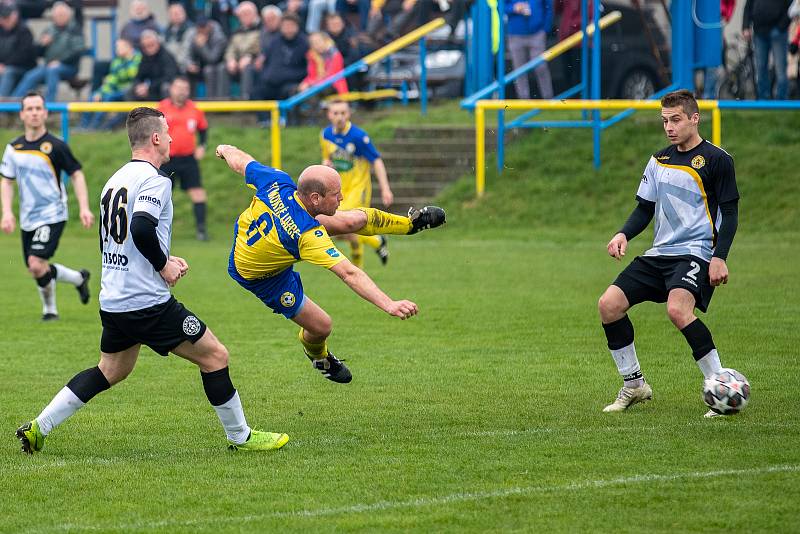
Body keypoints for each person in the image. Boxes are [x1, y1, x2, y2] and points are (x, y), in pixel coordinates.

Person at [15, 107, 289, 455]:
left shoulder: (115, 180)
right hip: (145, 302)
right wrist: (163, 265)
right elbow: (141, 226)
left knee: (110, 370)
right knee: (216, 356)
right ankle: (241, 437)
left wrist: (162, 258)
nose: (173, 138)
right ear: (156, 138)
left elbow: (119, 238)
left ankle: (40, 426)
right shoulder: (155, 180)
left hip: (114, 298)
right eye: (168, 132)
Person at [216, 143, 445, 383]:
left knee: (350, 221)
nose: (342, 197)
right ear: (315, 198)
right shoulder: (309, 236)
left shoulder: (277, 182)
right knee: (322, 327)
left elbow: (243, 162)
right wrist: (389, 304)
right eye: (336, 194)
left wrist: (225, 149)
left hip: (265, 237)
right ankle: (319, 358)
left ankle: (410, 224)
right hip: (259, 276)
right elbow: (349, 273)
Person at [597, 90, 740, 418]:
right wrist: (623, 233)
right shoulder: (659, 160)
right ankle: (634, 385)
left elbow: (730, 215)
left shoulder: (718, 160)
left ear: (694, 118)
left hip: (697, 252)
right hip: (660, 253)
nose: (669, 127)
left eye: (676, 119)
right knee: (609, 305)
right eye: (665, 121)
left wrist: (720, 256)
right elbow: (644, 209)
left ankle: (721, 386)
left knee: (678, 311)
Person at [0, 92, 94, 321]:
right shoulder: (14, 148)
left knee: (35, 263)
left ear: (45, 113)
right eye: (29, 109)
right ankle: (78, 279)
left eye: (38, 108)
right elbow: (7, 181)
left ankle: (49, 310)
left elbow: (77, 174)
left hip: (53, 213)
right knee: (37, 268)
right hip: (28, 217)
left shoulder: (56, 146)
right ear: (22, 114)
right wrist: (7, 212)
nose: (34, 113)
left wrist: (84, 207)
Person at [321, 100, 392, 268]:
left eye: (343, 113)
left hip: (357, 189)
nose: (339, 117)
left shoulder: (359, 137)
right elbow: (327, 158)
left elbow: (377, 161)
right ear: (329, 115)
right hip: (338, 190)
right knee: (338, 232)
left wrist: (385, 189)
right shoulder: (325, 135)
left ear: (349, 114)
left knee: (346, 227)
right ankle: (377, 242)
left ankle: (357, 271)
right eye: (335, 113)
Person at [158, 77, 210, 241]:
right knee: (160, 195)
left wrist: (202, 146)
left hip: (188, 159)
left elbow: (203, 130)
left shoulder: (195, 109)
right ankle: (155, 229)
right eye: (178, 87)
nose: (181, 91)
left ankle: (201, 230)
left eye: (185, 88)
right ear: (171, 89)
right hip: (167, 160)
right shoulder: (161, 108)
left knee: (198, 193)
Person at [11, 2, 85, 102]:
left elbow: (78, 51)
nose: (59, 18)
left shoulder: (75, 29)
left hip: (69, 67)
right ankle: (14, 103)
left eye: (62, 15)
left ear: (69, 15)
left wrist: (61, 62)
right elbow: (37, 53)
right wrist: (42, 45)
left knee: (52, 71)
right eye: (57, 15)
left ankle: (49, 105)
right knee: (31, 75)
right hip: (48, 65)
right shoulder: (49, 29)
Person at [79, 38, 141, 131]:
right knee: (93, 96)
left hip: (128, 91)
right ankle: (83, 126)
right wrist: (100, 92)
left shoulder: (138, 58)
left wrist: (124, 66)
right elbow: (112, 79)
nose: (116, 50)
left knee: (108, 97)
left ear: (128, 47)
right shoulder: (117, 60)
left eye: (119, 47)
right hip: (116, 89)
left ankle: (95, 126)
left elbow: (131, 74)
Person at [742, 0, 793, 100]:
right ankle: (763, 101)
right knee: (760, 69)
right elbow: (748, 7)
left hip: (779, 34)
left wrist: (780, 27)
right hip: (759, 33)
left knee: (781, 69)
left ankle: (781, 101)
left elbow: (791, 9)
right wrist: (745, 26)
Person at [506, 0, 554, 99]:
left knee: (540, 67)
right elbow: (501, 7)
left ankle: (548, 98)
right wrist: (513, 8)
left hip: (537, 32)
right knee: (519, 69)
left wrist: (545, 29)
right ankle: (524, 99)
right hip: (515, 34)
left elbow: (548, 7)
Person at [220, 1, 261, 99]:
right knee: (222, 68)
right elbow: (231, 48)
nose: (244, 17)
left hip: (255, 63)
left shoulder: (262, 28)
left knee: (247, 69)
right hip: (238, 63)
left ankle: (245, 100)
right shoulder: (237, 31)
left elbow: (261, 46)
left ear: (255, 14)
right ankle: (223, 101)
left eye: (247, 14)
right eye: (242, 15)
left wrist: (250, 57)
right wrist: (231, 59)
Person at [130, 30, 179, 101]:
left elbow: (169, 77)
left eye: (151, 44)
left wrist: (149, 87)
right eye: (145, 46)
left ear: (157, 42)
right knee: (130, 90)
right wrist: (139, 86)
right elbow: (138, 76)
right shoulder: (145, 57)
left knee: (165, 88)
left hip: (161, 87)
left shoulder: (167, 56)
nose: (148, 48)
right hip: (150, 88)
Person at [0, 3, 37, 98]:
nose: (4, 22)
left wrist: (5, 65)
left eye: (7, 19)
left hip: (24, 67)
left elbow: (24, 54)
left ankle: (3, 105)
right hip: (6, 66)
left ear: (14, 16)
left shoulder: (24, 31)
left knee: (8, 72)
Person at [186, 15, 228, 98]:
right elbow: (189, 54)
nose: (201, 29)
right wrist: (189, 64)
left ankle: (212, 99)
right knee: (188, 71)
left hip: (218, 66)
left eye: (204, 26)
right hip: (201, 66)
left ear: (209, 25)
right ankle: (191, 100)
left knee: (209, 70)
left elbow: (213, 59)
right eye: (199, 27)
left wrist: (202, 46)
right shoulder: (195, 35)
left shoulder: (219, 37)